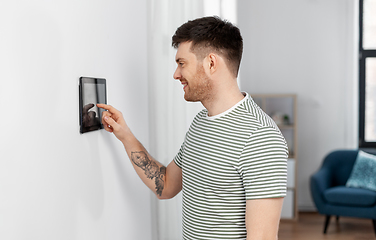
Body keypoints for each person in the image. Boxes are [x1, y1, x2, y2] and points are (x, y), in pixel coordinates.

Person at [98, 16, 288, 240]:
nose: (176, 74)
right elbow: (166, 185)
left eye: (181, 63)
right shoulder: (201, 123)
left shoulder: (260, 137)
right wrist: (125, 135)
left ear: (210, 63)